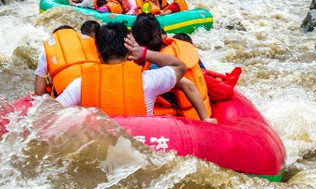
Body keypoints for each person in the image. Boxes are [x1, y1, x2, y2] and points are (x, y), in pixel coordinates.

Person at [57, 23, 213, 121]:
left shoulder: (80, 85)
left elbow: (49, 111)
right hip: (142, 148)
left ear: (97, 52)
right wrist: (144, 54)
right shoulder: (148, 81)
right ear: (129, 51)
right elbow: (180, 67)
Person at [129, 14, 211, 119]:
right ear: (161, 34)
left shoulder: (152, 67)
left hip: (181, 117)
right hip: (205, 108)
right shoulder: (181, 46)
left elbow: (187, 86)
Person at [34, 24, 98, 96]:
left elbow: (39, 91)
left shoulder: (48, 50)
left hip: (67, 93)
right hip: (96, 86)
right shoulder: (91, 42)